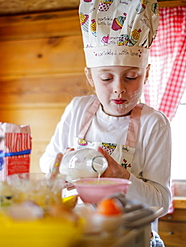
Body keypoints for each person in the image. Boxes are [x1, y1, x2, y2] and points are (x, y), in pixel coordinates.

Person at [40, 1, 171, 243]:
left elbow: (161, 203)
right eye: (106, 78)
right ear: (90, 76)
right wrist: (63, 165)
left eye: (131, 77)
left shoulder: (154, 124)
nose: (119, 89)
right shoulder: (78, 109)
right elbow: (47, 161)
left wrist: (122, 178)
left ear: (147, 73)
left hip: (131, 238)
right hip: (80, 235)